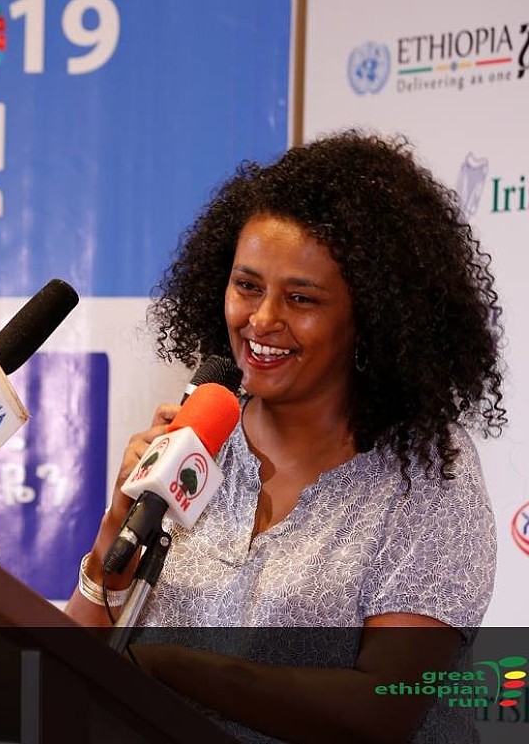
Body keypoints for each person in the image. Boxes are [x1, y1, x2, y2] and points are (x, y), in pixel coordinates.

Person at [66, 130, 506, 743]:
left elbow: (383, 709)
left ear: (371, 317)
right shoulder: (198, 436)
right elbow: (73, 666)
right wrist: (117, 529)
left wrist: (163, 666)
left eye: (301, 298)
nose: (262, 319)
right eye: (247, 286)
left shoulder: (426, 471)